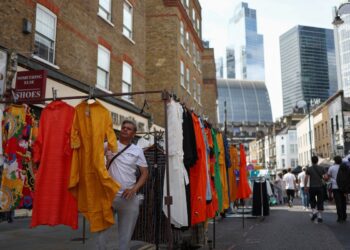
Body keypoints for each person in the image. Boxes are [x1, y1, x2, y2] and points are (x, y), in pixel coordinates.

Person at [97, 120, 148, 250]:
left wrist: (133, 189)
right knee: (101, 234)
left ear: (134, 134)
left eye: (129, 129)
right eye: (123, 127)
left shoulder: (137, 150)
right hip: (108, 196)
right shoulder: (108, 145)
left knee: (125, 237)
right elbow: (91, 157)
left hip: (128, 198)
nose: (125, 130)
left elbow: (144, 173)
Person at [326, 156, 347, 223]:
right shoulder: (344, 167)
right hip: (343, 187)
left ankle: (340, 217)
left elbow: (327, 177)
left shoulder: (331, 168)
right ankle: (344, 215)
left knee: (338, 202)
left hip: (335, 187)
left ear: (334, 161)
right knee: (343, 201)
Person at [305, 156, 326, 223]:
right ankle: (319, 216)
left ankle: (314, 212)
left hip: (312, 187)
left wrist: (305, 186)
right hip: (320, 186)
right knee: (320, 200)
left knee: (312, 200)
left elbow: (306, 178)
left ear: (311, 161)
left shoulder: (309, 169)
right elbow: (325, 177)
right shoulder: (322, 168)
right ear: (317, 161)